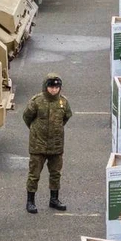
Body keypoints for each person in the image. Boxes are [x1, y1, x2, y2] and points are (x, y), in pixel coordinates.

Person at [23, 74, 72, 213]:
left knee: (55, 174)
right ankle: (30, 201)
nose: (54, 90)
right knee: (34, 175)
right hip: (38, 146)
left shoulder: (63, 102)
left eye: (57, 87)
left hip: (56, 146)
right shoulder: (37, 101)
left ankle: (54, 199)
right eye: (51, 87)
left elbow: (66, 117)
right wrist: (36, 132)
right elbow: (27, 117)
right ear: (46, 87)